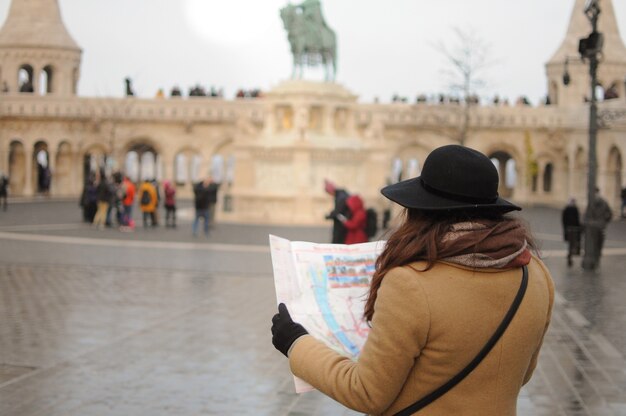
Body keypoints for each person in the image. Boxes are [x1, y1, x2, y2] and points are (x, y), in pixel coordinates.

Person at [271, 145, 554, 415]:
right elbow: (522, 373)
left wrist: (296, 342)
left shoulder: (410, 283)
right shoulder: (536, 275)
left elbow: (366, 392)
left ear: (421, 209)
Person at [583, 187, 613, 268]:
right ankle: (594, 262)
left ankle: (595, 262)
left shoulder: (602, 203)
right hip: (595, 228)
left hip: (598, 228)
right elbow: (586, 215)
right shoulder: (594, 202)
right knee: (593, 246)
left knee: (597, 246)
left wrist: (603, 221)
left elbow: (609, 214)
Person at [324, 179, 350, 244]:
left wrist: (330, 215)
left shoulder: (340, 196)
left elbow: (338, 210)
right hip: (342, 222)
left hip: (341, 224)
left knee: (338, 242)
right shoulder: (341, 194)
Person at [561, 198, 581, 267]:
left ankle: (570, 255)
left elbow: (564, 220)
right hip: (574, 229)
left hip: (568, 229)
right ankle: (570, 255)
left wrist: (565, 228)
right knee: (572, 244)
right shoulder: (575, 209)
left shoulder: (566, 209)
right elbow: (577, 220)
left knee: (571, 244)